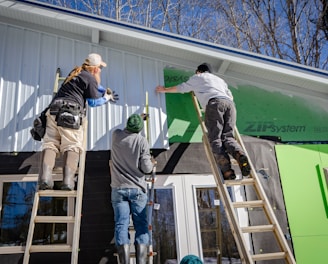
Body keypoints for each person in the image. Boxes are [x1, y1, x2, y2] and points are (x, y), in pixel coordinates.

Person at [155, 62, 250, 180]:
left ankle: (227, 171)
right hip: (230, 105)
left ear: (199, 71)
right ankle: (239, 154)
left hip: (214, 104)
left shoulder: (198, 77)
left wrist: (164, 89)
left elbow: (182, 88)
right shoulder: (220, 80)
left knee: (215, 138)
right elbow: (231, 97)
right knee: (228, 137)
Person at [38, 53, 118, 191]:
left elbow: (91, 85)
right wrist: (106, 97)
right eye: (100, 68)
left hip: (53, 111)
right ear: (95, 69)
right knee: (72, 145)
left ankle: (45, 179)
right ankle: (68, 182)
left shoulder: (75, 72)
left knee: (50, 143)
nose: (100, 70)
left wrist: (103, 89)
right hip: (70, 114)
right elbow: (93, 102)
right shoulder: (91, 79)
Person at [110, 113, 155, 264]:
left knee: (121, 224)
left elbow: (126, 131)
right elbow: (146, 168)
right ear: (140, 129)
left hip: (119, 188)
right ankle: (141, 261)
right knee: (141, 225)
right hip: (137, 188)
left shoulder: (116, 136)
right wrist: (152, 162)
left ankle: (124, 262)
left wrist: (137, 121)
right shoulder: (142, 141)